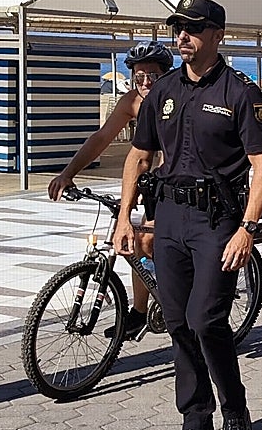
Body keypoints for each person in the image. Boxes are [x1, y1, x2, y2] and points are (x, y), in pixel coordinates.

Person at [114, 0, 262, 430]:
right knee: (177, 321)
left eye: (193, 28)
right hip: (169, 219)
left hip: (217, 221)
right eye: (178, 28)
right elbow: (139, 156)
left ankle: (237, 414)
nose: (182, 36)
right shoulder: (162, 91)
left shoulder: (241, 93)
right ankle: (196, 422)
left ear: (217, 35)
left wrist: (247, 228)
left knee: (207, 319)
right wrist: (126, 217)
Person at [49, 41, 175, 339]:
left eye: (153, 76)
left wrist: (158, 178)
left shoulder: (177, 98)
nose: (145, 83)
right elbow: (103, 137)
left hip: (175, 182)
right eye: (139, 77)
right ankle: (140, 312)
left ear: (166, 75)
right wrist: (68, 173)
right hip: (154, 182)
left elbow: (172, 153)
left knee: (148, 242)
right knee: (138, 243)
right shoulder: (132, 102)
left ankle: (176, 301)